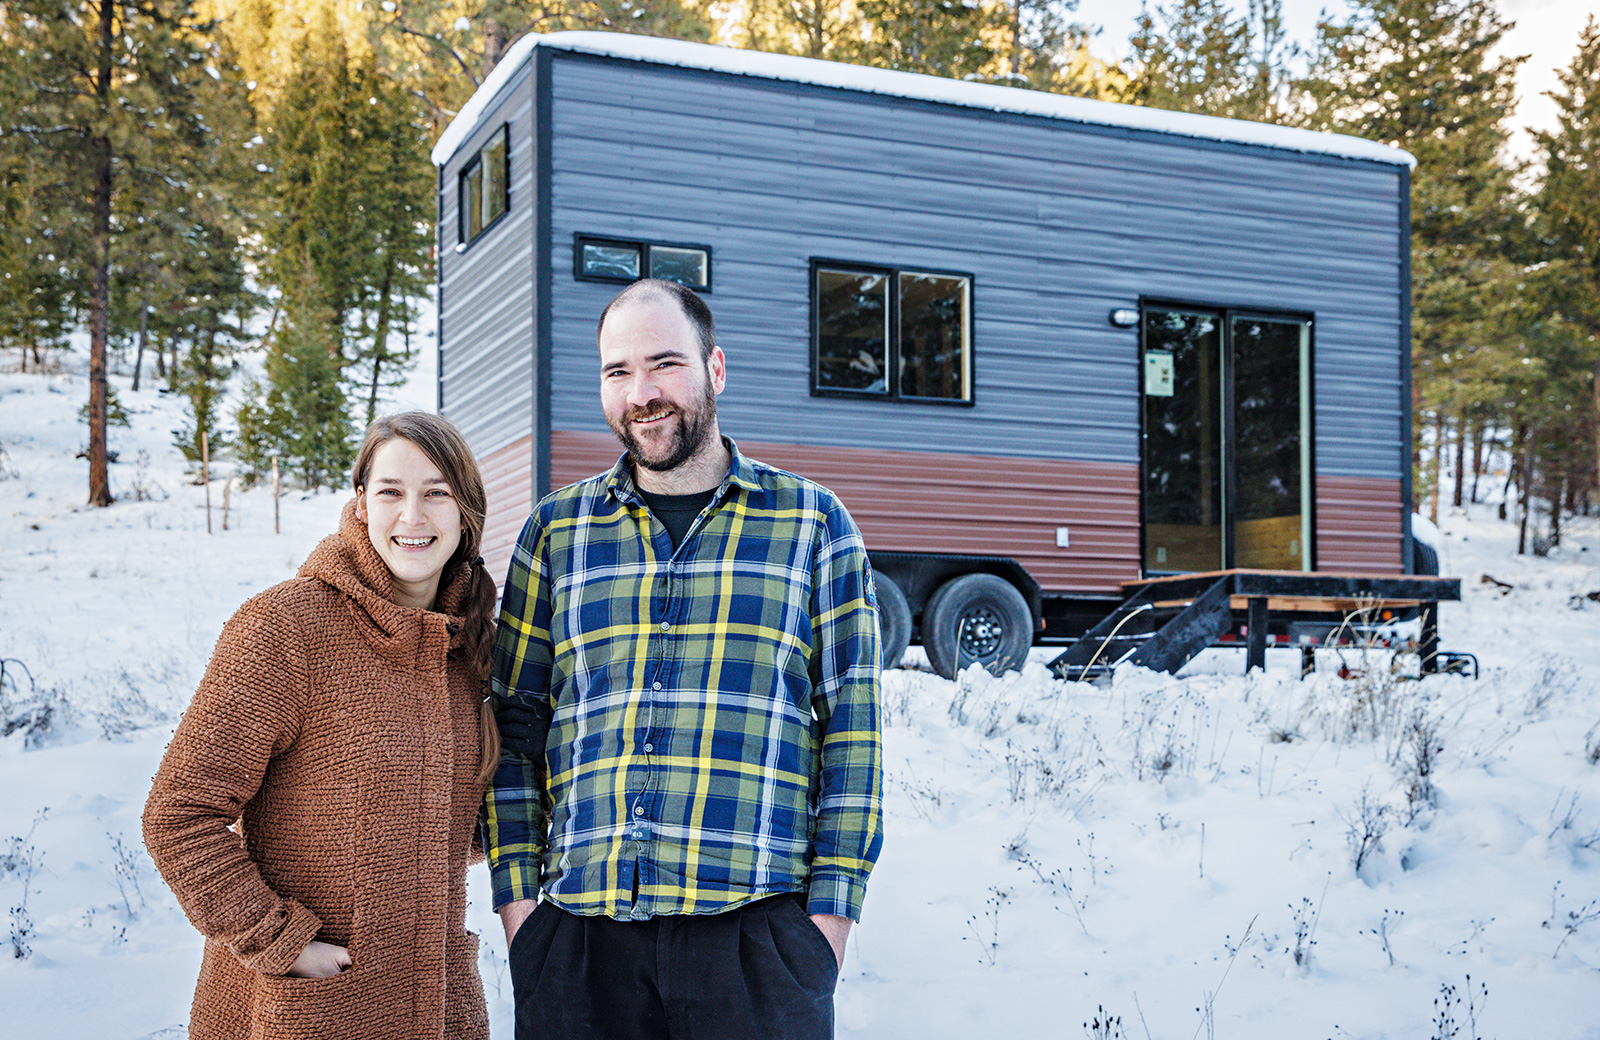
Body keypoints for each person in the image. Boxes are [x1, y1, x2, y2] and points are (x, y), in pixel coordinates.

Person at [486, 279, 885, 1040]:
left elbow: (854, 735)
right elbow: (515, 726)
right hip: (578, 944)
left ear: (716, 369)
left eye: (664, 364)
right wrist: (522, 917)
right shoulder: (556, 534)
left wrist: (824, 931)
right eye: (617, 372)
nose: (642, 393)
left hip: (756, 945)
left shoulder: (813, 525)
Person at [142, 412, 498, 1040]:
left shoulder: (469, 649)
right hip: (308, 1007)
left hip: (438, 1008)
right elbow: (179, 816)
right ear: (360, 504)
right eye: (391, 491)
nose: (412, 516)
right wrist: (280, 941)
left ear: (465, 512)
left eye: (436, 492)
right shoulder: (287, 627)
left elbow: (451, 828)